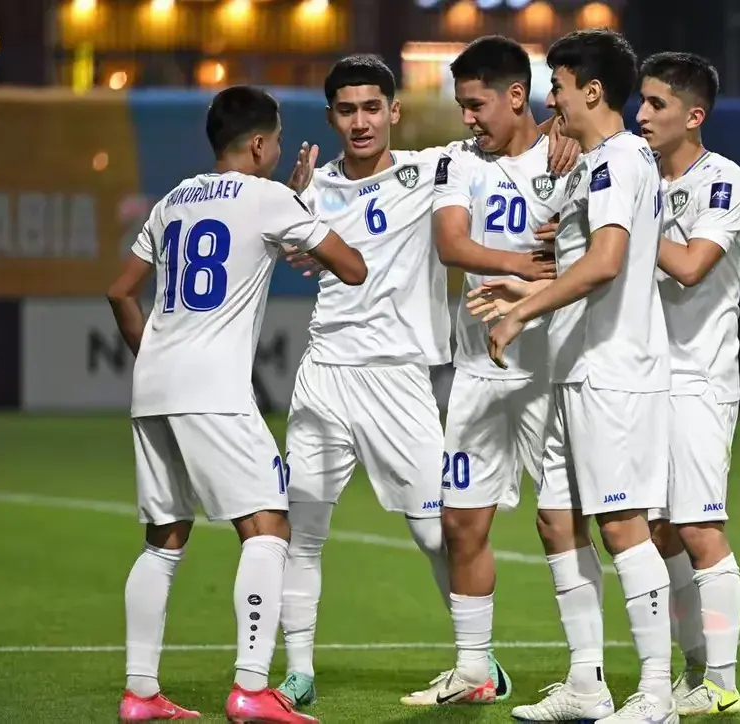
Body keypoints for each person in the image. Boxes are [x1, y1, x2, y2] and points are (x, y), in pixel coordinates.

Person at [275, 53, 575, 709]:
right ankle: (298, 673)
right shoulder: (312, 188)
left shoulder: (435, 167)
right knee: (301, 530)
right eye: (347, 111)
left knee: (439, 532)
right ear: (330, 117)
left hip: (400, 379)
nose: (360, 122)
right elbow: (281, 242)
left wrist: (564, 129)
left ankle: (479, 661)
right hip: (324, 371)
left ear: (393, 112)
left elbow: (507, 137)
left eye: (371, 108)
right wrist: (290, 210)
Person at [108, 85, 367, 724]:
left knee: (164, 538)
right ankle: (251, 687)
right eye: (275, 142)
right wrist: (299, 207)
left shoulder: (174, 200)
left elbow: (120, 292)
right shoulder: (268, 198)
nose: (277, 151)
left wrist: (155, 358)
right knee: (268, 528)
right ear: (257, 144)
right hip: (214, 389)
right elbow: (352, 267)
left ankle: (140, 694)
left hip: (154, 385)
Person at [480, 28, 678, 723]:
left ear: (592, 91)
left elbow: (607, 262)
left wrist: (521, 311)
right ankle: (588, 685)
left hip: (613, 371)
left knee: (622, 525)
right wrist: (527, 291)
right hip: (577, 369)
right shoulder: (598, 163)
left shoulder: (618, 160)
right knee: (557, 520)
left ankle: (656, 693)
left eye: (558, 88)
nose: (551, 102)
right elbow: (583, 264)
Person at [399, 35, 585, 707]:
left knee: (561, 525)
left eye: (476, 105)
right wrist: (522, 264)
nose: (467, 118)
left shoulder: (572, 156)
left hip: (548, 372)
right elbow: (452, 244)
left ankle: (587, 674)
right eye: (462, 105)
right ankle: (474, 669)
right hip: (477, 372)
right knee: (461, 524)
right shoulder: (458, 162)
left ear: (516, 96)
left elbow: (592, 252)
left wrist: (548, 268)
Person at [635, 51, 740, 716]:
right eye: (641, 101)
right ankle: (696, 666)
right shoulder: (639, 176)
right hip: (643, 378)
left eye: (657, 103)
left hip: (698, 377)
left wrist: (626, 221)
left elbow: (690, 266)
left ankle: (724, 683)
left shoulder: (723, 180)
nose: (642, 114)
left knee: (700, 528)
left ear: (694, 115)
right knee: (658, 535)